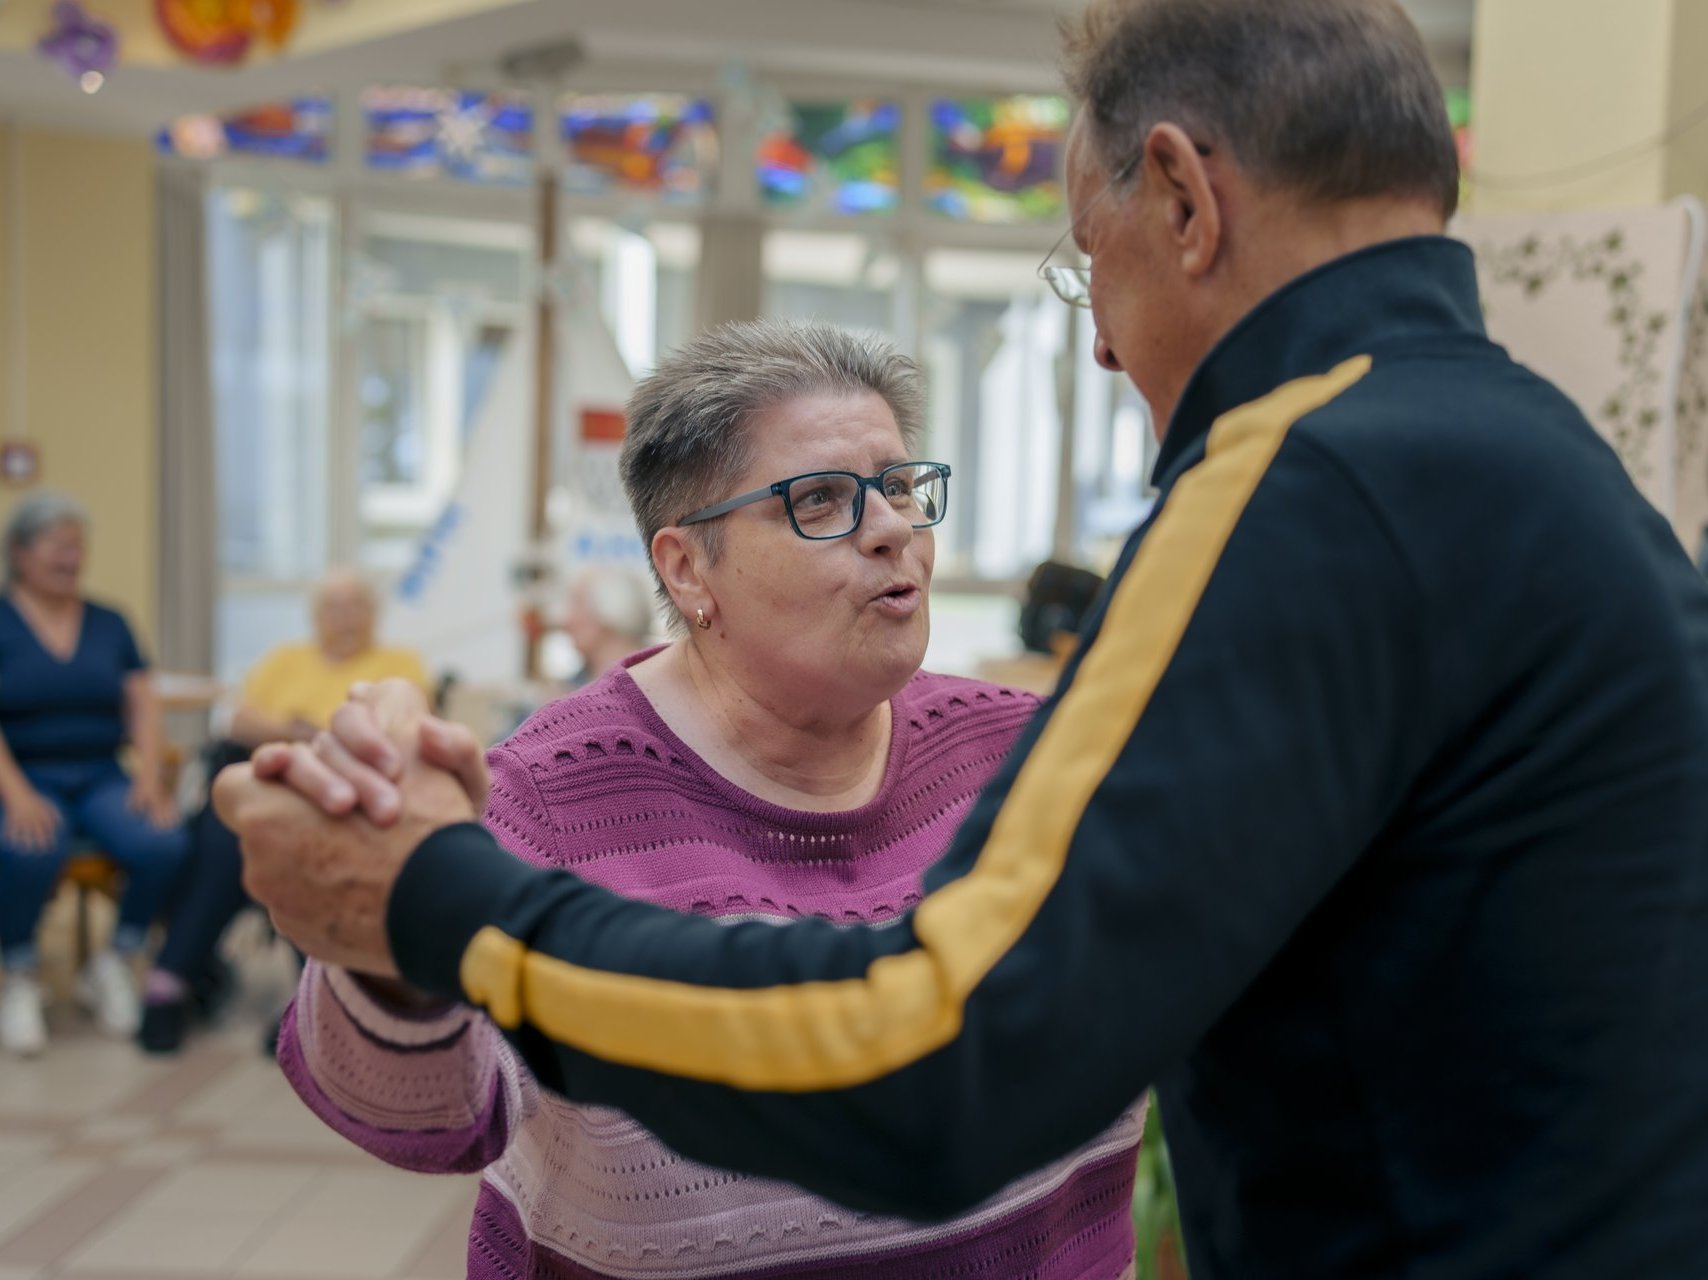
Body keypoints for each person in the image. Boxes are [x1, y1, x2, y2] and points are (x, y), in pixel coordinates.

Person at [217, 0, 1708, 1275]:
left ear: (1185, 200)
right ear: (687, 567)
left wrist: (442, 899)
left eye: (1090, 259)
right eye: (818, 498)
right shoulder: (1531, 450)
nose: (1108, 341)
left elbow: (943, 1064)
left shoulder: (1303, 481)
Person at [260, 322, 1143, 1278]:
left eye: (897, 487)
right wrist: (390, 916)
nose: (891, 527)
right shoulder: (547, 798)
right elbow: (416, 1115)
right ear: (688, 570)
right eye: (820, 501)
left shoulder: (1034, 750)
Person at [137, 568, 427, 1053]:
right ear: (316, 615)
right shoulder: (285, 659)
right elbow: (239, 718)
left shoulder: (398, 664)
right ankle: (295, 996)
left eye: (355, 604)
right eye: (333, 606)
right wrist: (307, 736)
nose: (345, 616)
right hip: (269, 786)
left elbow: (399, 732)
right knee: (227, 839)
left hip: (345, 796)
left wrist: (299, 733)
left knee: (269, 841)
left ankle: (175, 976)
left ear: (373, 613)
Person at [0, 492, 186, 1056]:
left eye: (77, 547)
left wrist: (149, 779)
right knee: (29, 847)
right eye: (57, 546)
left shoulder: (110, 621)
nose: (70, 557)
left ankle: (113, 959)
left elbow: (141, 700)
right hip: (24, 774)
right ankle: (20, 972)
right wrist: (18, 795)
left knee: (164, 843)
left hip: (102, 774)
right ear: (20, 553)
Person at [561, 563, 655, 684]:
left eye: (578, 605)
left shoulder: (661, 686)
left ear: (612, 609)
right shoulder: (566, 690)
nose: (566, 621)